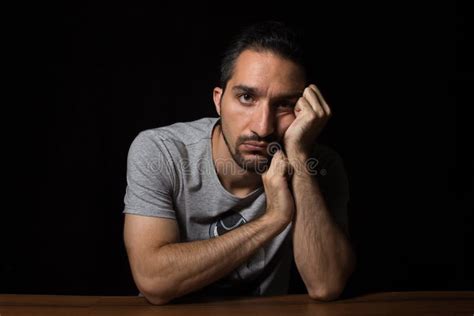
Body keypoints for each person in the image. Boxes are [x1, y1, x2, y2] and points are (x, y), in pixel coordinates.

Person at [122, 20, 355, 305]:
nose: (262, 125)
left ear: (303, 110)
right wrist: (274, 218)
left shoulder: (320, 165)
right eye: (247, 97)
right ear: (218, 101)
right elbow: (153, 281)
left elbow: (326, 285)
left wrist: (299, 158)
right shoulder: (162, 152)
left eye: (283, 105)